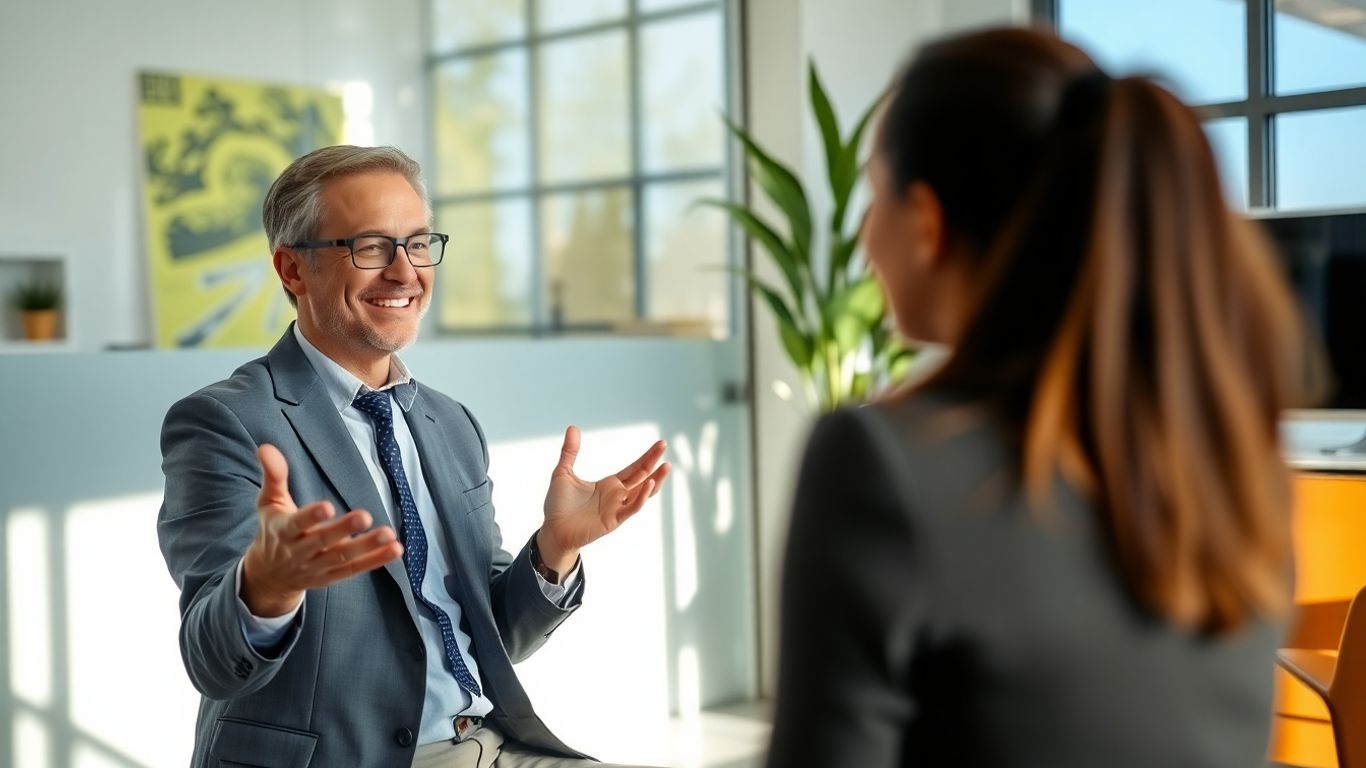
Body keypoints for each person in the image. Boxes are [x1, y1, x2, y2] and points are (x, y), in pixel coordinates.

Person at [766, 27, 1317, 768]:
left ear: (927, 224)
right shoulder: (1234, 467)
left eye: (875, 194)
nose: (864, 234)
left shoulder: (881, 466)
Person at [158, 145, 670, 768]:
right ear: (293, 270)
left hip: (487, 742)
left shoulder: (449, 423)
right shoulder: (226, 422)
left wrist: (555, 550)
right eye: (370, 248)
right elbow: (214, 664)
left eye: (419, 244)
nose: (405, 273)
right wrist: (265, 586)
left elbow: (495, 636)